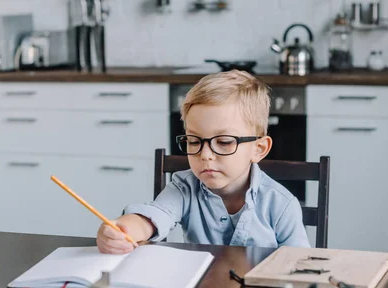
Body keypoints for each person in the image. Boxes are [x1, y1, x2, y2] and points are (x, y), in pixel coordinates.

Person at [96, 70, 310, 254]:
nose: (205, 155)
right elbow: (155, 215)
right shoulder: (184, 188)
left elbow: (297, 266)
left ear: (258, 149)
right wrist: (124, 229)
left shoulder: (282, 205)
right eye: (194, 141)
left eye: (224, 142)